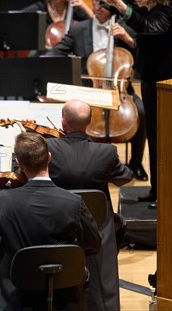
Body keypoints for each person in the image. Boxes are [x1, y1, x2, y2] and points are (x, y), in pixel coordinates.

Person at [0, 132, 101, 310]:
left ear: (19, 164)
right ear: (49, 158)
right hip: (64, 293)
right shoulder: (74, 203)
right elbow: (94, 244)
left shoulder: (4, 201)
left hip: (16, 294)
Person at [92, 0, 172, 209]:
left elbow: (145, 27)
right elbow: (117, 11)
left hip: (164, 83)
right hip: (150, 82)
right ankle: (155, 190)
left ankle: (165, 193)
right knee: (153, 136)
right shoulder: (147, 10)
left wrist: (120, 4)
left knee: (161, 138)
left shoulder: (166, 14)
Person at [45, 0, 148, 180]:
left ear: (113, 4)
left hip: (120, 91)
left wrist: (128, 40)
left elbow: (143, 57)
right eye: (95, 1)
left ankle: (136, 164)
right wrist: (38, 59)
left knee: (141, 110)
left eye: (103, 2)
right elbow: (58, 52)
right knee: (73, 113)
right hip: (89, 92)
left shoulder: (126, 27)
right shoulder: (79, 29)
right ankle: (80, 162)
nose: (98, 6)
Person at [44, 99, 133, 310]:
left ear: (63, 122)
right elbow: (125, 177)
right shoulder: (106, 153)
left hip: (58, 224)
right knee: (115, 222)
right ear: (90, 122)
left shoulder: (48, 149)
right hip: (96, 226)